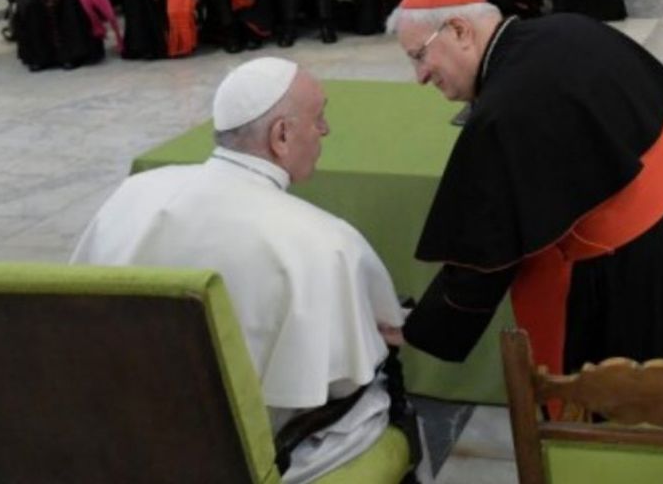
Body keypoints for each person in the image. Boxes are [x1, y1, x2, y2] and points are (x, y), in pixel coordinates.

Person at [388, 0, 663, 393]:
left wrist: (420, 328)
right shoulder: (568, 27)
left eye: (419, 56)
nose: (420, 76)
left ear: (459, 31)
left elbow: (483, 262)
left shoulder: (504, 109)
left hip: (634, 276)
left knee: (650, 413)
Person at [72, 59, 418, 483]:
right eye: (319, 117)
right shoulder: (324, 240)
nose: (324, 130)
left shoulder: (134, 193)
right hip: (259, 455)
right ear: (282, 135)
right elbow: (359, 361)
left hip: (136, 435)